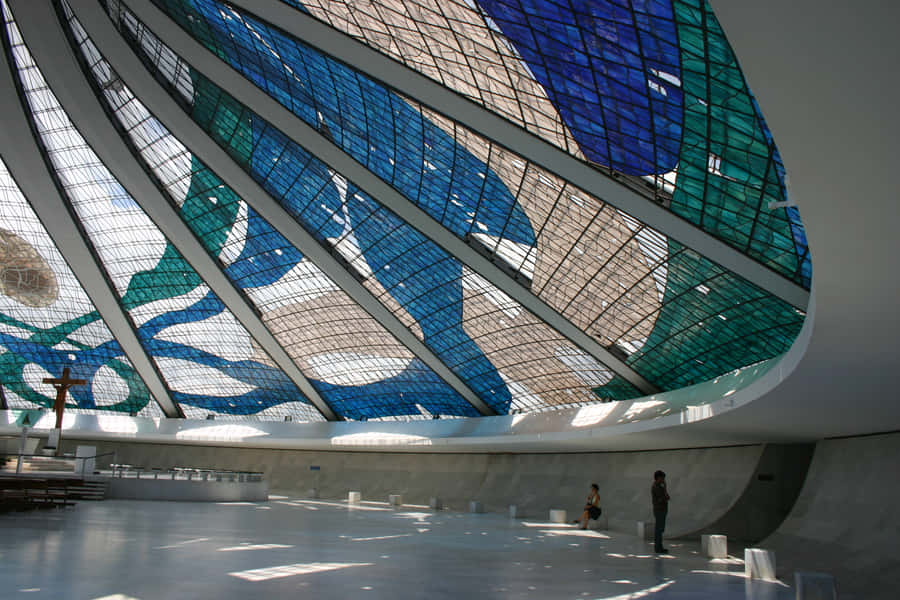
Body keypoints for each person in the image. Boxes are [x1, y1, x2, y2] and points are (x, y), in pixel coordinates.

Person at [651, 470, 670, 553]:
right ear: (658, 478)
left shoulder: (659, 486)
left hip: (662, 509)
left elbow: (667, 497)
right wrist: (665, 489)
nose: (663, 480)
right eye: (662, 478)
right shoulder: (656, 487)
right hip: (659, 510)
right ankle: (658, 547)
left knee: (660, 529)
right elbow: (663, 498)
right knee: (659, 529)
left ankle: (659, 546)